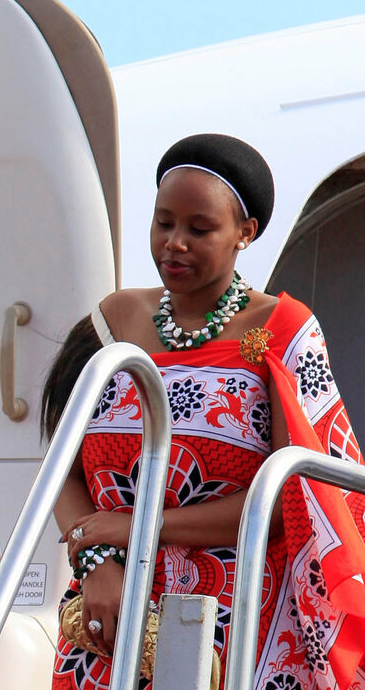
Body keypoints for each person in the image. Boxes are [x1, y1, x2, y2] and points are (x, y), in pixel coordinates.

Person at [41, 134, 365, 689]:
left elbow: (298, 497)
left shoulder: (283, 329)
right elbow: (62, 467)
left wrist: (140, 527)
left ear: (246, 232)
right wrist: (96, 565)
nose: (174, 243)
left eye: (199, 229)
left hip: (237, 623)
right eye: (163, 223)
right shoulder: (114, 320)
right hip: (110, 615)